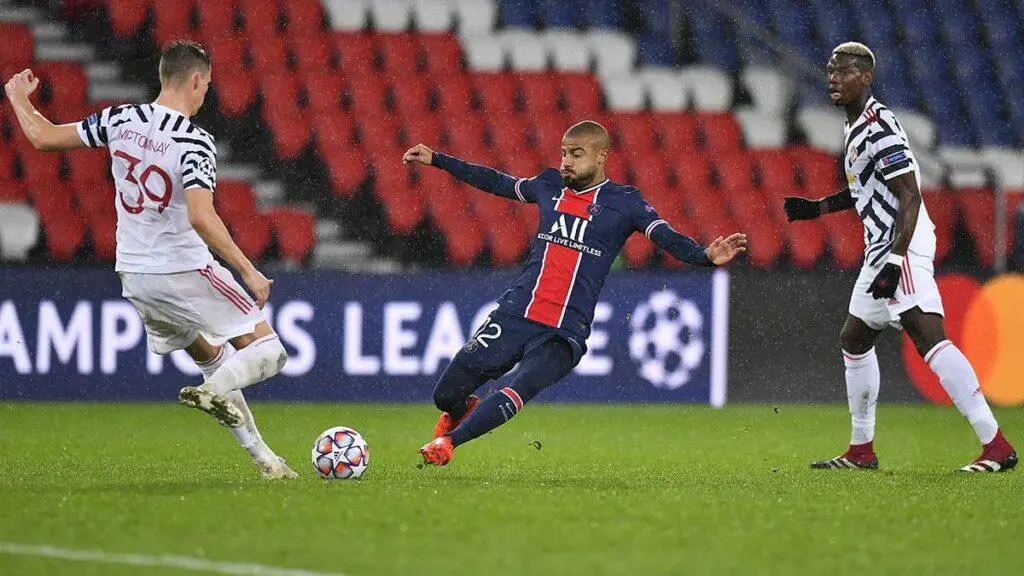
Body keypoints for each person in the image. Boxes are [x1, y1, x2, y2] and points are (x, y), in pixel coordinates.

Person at [3, 40, 297, 479]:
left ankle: (266, 462)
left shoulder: (121, 119)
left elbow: (44, 137)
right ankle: (211, 392)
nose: (205, 95)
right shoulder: (193, 140)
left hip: (135, 276)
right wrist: (248, 269)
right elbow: (201, 215)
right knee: (270, 352)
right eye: (207, 86)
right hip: (182, 269)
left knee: (212, 357)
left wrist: (16, 98)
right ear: (196, 80)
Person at [403, 120, 747, 466]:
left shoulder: (625, 202)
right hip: (515, 315)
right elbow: (497, 182)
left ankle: (448, 443)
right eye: (564, 153)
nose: (566, 161)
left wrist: (704, 257)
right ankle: (459, 412)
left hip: (564, 333)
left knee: (519, 388)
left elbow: (665, 236)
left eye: (576, 154)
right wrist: (440, 160)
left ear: (601, 156)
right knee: (445, 395)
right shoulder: (548, 184)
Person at [783, 42, 1016, 472]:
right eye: (831, 70)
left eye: (846, 71)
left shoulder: (879, 125)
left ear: (866, 77)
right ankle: (861, 450)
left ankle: (996, 445)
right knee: (854, 338)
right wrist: (817, 209)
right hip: (880, 247)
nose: (834, 77)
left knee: (929, 337)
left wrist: (895, 259)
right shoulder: (854, 128)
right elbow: (868, 191)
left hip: (899, 245)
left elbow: (910, 195)